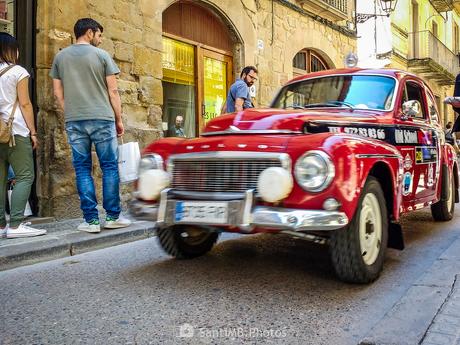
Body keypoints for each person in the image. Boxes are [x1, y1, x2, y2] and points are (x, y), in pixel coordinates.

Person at [50, 18, 131, 233]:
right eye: (99, 34)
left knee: (82, 168)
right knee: (110, 167)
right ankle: (113, 217)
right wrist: (119, 119)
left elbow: (58, 94)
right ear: (89, 32)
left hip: (75, 120)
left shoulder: (60, 57)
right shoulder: (102, 56)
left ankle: (91, 221)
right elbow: (113, 91)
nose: (101, 39)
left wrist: (72, 111)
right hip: (102, 118)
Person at [0, 32, 46, 238]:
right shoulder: (18, 71)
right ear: (11, 49)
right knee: (25, 175)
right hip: (15, 131)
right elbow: (25, 103)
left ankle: (1, 225)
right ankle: (16, 224)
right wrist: (33, 132)